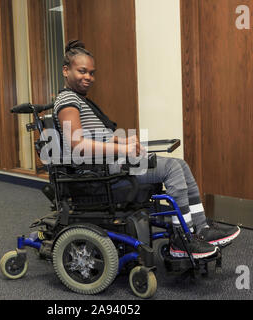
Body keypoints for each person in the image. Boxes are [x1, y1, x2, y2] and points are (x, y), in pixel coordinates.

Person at [53, 40, 240, 259]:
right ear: (66, 70)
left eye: (91, 73)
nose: (88, 77)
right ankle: (183, 238)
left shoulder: (79, 100)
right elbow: (78, 144)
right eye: (82, 71)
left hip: (106, 165)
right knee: (171, 167)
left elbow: (93, 135)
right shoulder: (67, 100)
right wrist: (122, 151)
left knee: (180, 164)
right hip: (99, 174)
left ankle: (201, 228)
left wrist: (122, 141)